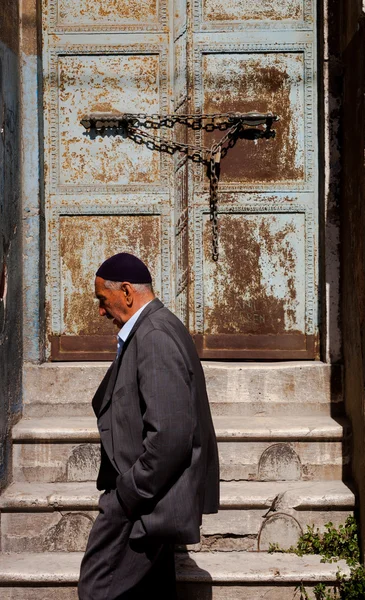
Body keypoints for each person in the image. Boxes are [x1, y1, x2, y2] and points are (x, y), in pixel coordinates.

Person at [78, 252, 220, 600]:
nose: (100, 311)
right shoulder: (152, 329)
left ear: (126, 292)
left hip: (143, 502)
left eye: (103, 299)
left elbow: (169, 437)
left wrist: (127, 494)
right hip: (148, 497)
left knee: (97, 588)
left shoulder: (154, 335)